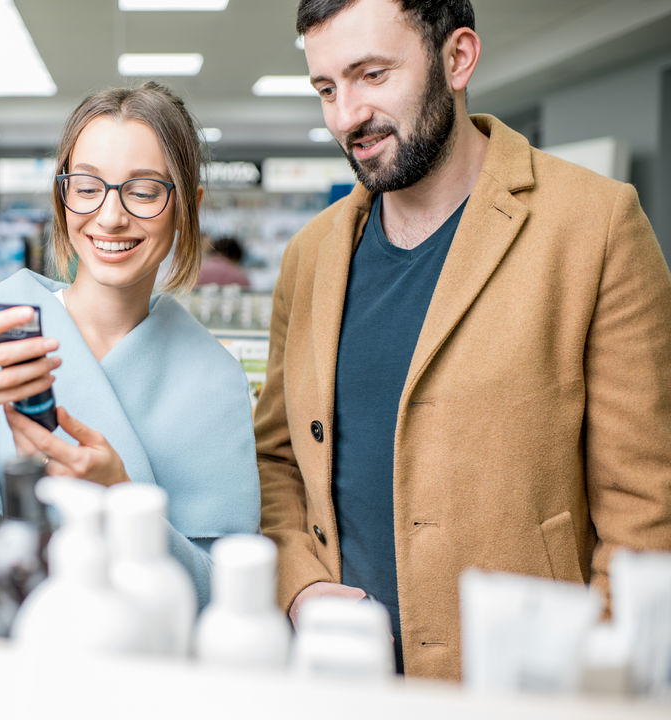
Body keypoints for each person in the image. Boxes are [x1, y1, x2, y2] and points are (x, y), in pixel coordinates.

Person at [254, 0, 671, 681]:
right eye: (327, 88)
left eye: (371, 75)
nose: (345, 116)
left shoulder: (595, 226)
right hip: (344, 679)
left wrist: (600, 679)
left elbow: (645, 510)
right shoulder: (310, 256)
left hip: (524, 681)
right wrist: (297, 584)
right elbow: (276, 459)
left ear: (458, 58)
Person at [0, 81, 260, 609]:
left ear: (189, 206)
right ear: (62, 197)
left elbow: (227, 599)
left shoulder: (214, 378)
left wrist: (123, 502)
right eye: (87, 187)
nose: (111, 216)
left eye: (144, 190)